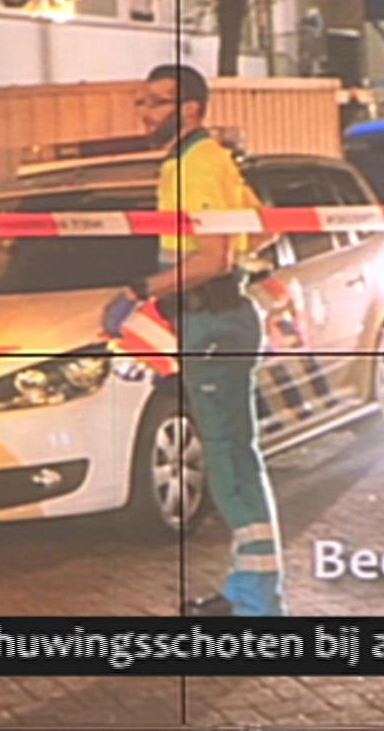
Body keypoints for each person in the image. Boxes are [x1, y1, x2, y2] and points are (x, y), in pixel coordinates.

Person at [103, 64, 286, 617]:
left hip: (211, 322)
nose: (145, 112)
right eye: (142, 101)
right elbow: (266, 227)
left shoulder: (195, 167)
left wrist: (139, 290)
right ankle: (252, 591)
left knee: (228, 462)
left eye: (157, 102)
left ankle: (256, 602)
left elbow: (213, 258)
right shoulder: (207, 158)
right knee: (235, 457)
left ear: (190, 109)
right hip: (217, 318)